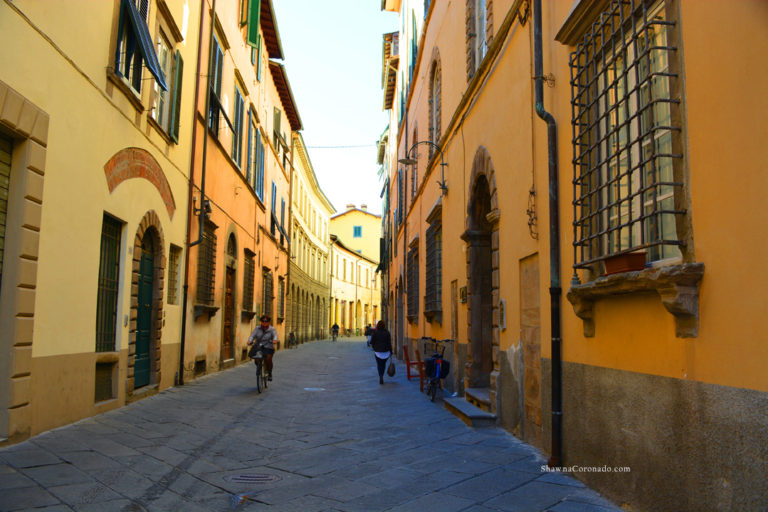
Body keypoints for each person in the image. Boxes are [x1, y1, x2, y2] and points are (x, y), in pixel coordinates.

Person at [247, 315, 278, 381]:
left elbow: (275, 335)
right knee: (256, 360)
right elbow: (252, 336)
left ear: (269, 322)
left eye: (266, 321)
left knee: (268, 359)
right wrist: (250, 341)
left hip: (268, 346)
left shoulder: (272, 329)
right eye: (263, 321)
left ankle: (269, 372)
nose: (264, 322)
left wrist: (274, 340)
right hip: (258, 346)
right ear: (261, 322)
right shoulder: (257, 328)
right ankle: (260, 367)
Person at [370, 320, 392, 385]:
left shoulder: (375, 332)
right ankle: (382, 374)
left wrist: (374, 347)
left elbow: (372, 342)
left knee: (379, 364)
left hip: (377, 352)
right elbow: (389, 342)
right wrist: (391, 351)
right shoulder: (387, 332)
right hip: (386, 351)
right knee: (383, 364)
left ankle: (381, 376)